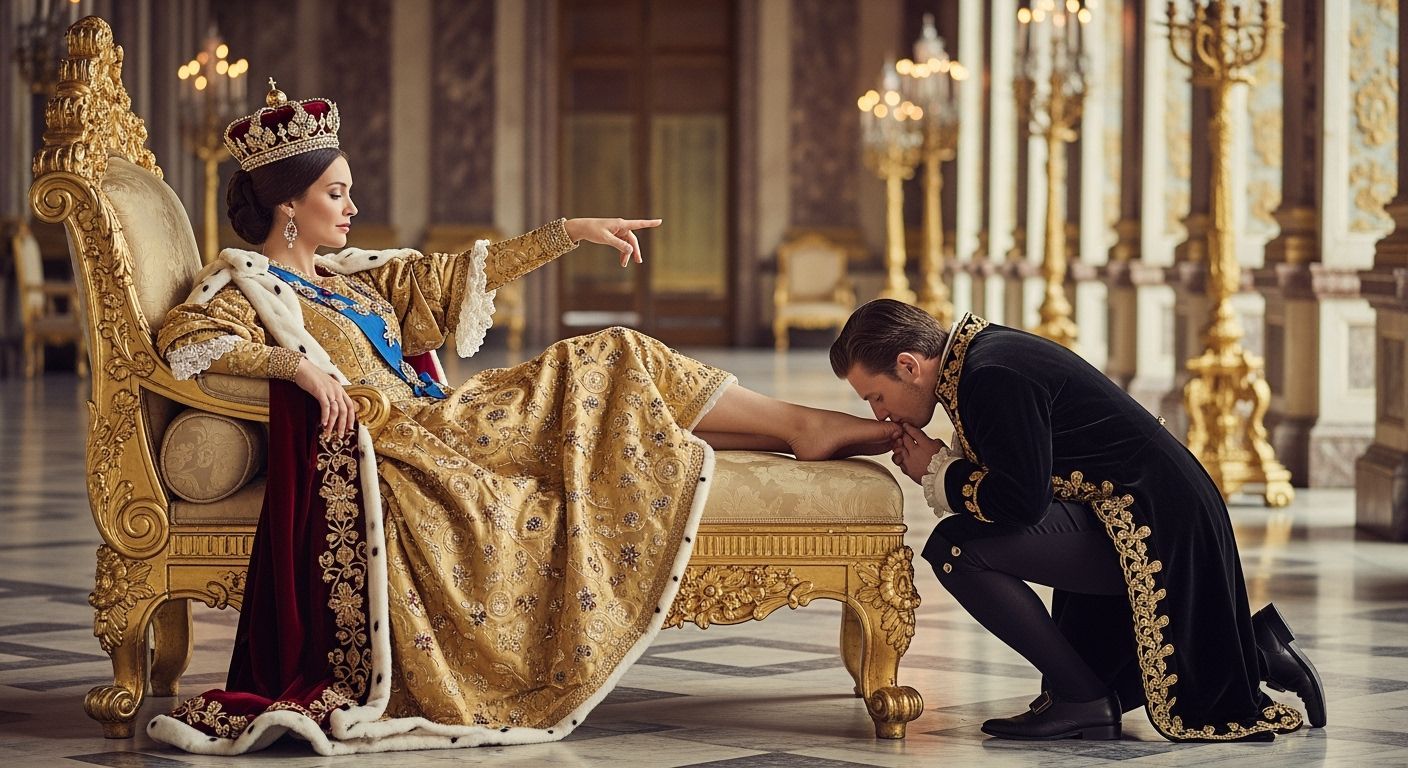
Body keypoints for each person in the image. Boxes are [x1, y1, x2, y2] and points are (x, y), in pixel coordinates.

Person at [147, 82, 897, 756]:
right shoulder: (246, 288)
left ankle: (800, 429)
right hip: (418, 441)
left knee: (621, 375)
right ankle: (803, 428)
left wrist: (568, 231)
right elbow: (183, 340)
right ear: (289, 204)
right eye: (337, 194)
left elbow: (454, 275)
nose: (352, 208)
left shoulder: (356, 278)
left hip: (447, 419)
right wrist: (298, 366)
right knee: (613, 354)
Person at [829, 299, 1326, 743]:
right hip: (1151, 515)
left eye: (875, 396)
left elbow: (1021, 502)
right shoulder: (981, 356)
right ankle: (1252, 649)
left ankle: (1084, 700)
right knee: (973, 549)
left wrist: (940, 471)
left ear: (908, 365)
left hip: (1157, 530)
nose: (879, 414)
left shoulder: (990, 374)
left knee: (957, 550)